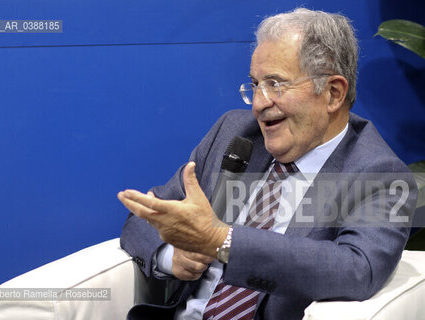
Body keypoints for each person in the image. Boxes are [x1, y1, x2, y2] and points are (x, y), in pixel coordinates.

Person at [118, 8, 417, 320]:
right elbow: (146, 216)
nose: (259, 103)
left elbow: (358, 269)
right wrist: (172, 256)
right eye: (255, 84)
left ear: (333, 93)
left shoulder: (377, 174)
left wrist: (223, 241)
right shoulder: (234, 134)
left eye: (276, 84)